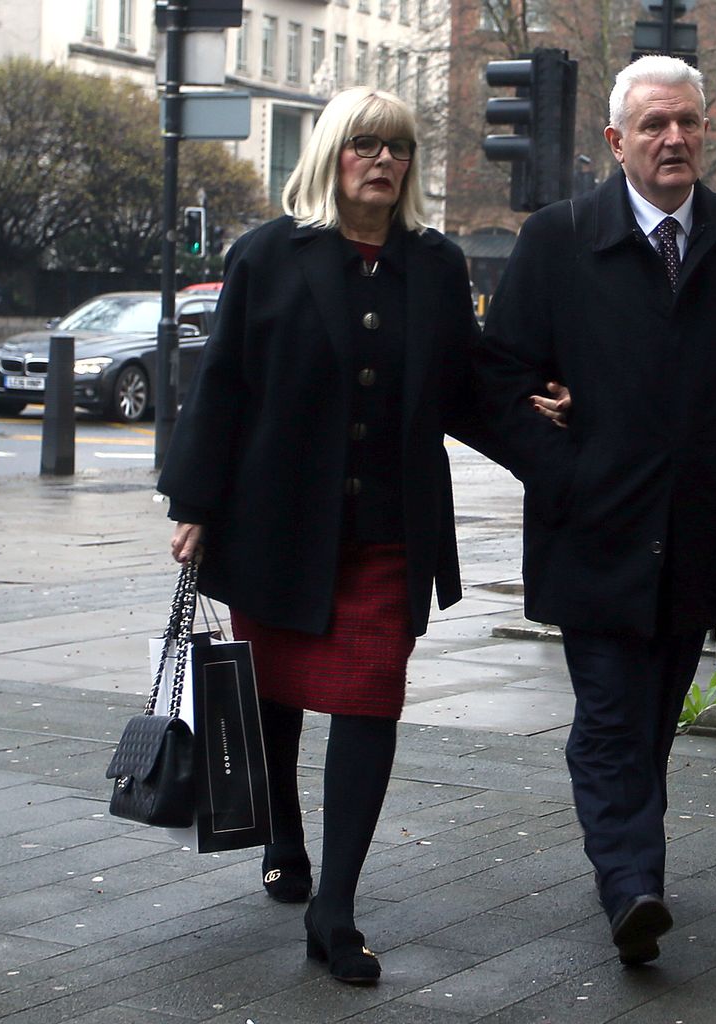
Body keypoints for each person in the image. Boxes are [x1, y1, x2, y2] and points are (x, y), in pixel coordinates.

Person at [477, 55, 716, 966]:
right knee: (609, 717)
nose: (675, 139)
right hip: (595, 531)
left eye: (689, 122)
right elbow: (496, 382)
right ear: (616, 140)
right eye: (655, 124)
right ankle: (632, 884)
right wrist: (566, 473)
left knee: (653, 716)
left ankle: (633, 868)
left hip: (702, 529)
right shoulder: (558, 239)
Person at [157, 87, 499, 985]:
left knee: (370, 699)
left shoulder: (436, 264)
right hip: (275, 522)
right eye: (364, 144)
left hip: (389, 532)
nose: (382, 160)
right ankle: (284, 833)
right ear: (331, 153)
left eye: (398, 147)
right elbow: (222, 384)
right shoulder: (268, 255)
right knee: (276, 694)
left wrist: (550, 424)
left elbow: (469, 388)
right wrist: (194, 501)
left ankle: (334, 908)